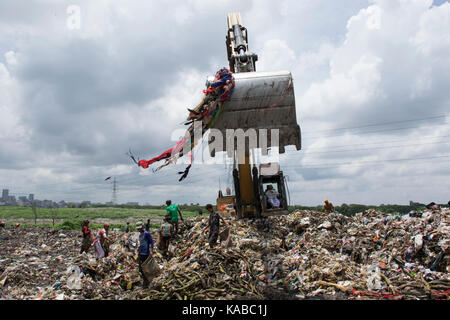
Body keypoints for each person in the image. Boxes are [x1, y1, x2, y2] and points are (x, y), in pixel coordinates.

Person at [136, 221, 154, 287]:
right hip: (141, 253)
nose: (139, 229)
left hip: (146, 253)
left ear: (142, 227)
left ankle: (147, 282)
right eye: (138, 228)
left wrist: (151, 251)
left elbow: (151, 242)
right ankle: (145, 281)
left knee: (146, 268)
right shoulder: (140, 235)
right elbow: (141, 244)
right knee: (140, 269)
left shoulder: (146, 233)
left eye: (140, 228)